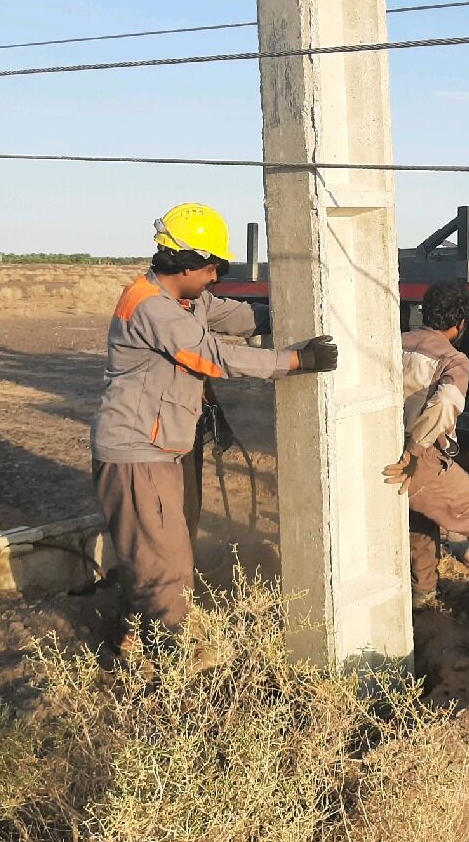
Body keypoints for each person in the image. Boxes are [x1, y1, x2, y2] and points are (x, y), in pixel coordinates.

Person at [91, 202, 338, 640]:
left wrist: (296, 308)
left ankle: (141, 633)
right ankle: (175, 662)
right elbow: (214, 356)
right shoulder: (152, 308)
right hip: (137, 454)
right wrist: (297, 360)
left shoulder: (189, 300)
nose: (216, 279)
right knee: (163, 564)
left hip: (166, 447)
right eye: (212, 269)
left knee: (163, 548)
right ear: (186, 264)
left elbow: (243, 318)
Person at [383, 282, 469, 621]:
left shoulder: (394, 343)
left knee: (421, 519)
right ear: (461, 323)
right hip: (417, 457)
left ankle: (422, 590)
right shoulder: (452, 358)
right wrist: (414, 451)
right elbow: (446, 404)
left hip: (383, 448)